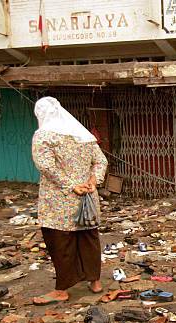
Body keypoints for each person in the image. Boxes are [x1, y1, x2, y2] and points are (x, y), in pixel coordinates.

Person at [31, 96, 108, 305]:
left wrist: (70, 185)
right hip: (87, 198)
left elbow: (46, 166)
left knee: (60, 241)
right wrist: (93, 181)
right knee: (88, 237)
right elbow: (101, 161)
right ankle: (95, 281)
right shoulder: (82, 135)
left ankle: (61, 290)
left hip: (60, 200)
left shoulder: (44, 136)